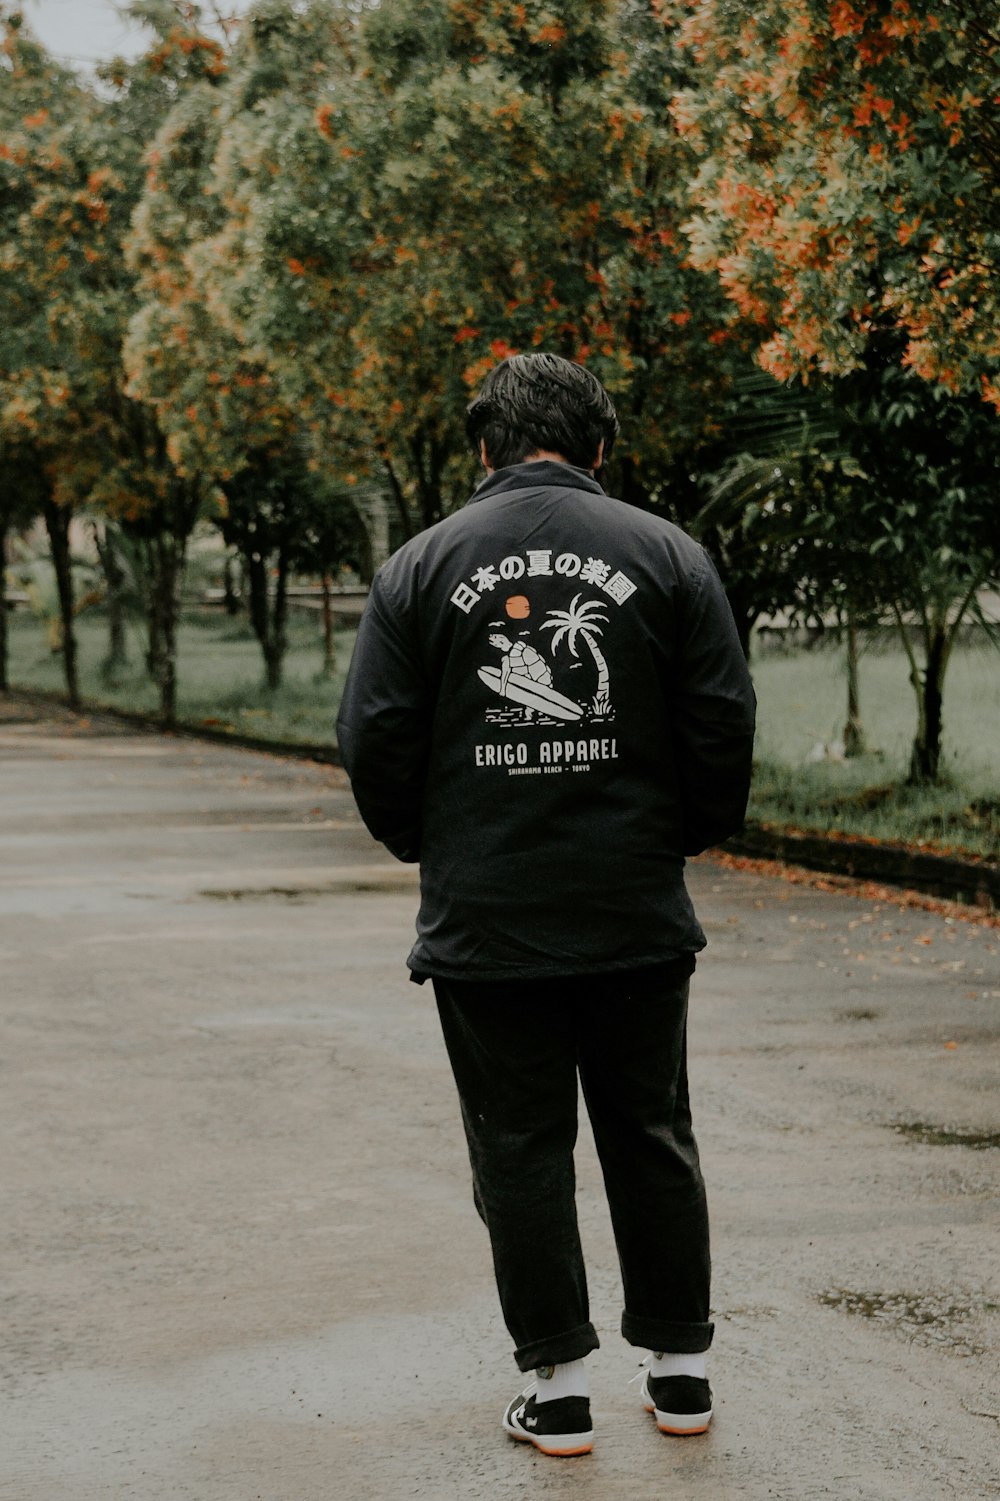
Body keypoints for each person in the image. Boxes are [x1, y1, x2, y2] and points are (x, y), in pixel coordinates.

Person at [336, 352, 756, 1458]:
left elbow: (372, 735)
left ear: (483, 447)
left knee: (519, 1147)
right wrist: (675, 839)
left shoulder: (420, 566)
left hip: (488, 921)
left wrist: (434, 844)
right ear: (600, 445)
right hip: (633, 912)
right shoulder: (668, 554)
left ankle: (559, 1389)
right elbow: (720, 721)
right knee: (651, 1131)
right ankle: (680, 1378)